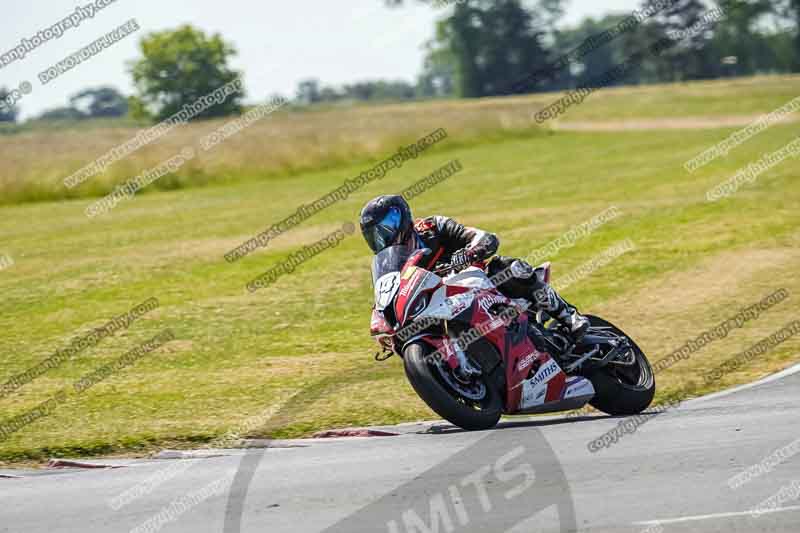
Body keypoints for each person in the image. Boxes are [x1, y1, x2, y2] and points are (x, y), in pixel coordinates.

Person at [359, 194, 589, 339]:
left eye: (385, 227)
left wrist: (470, 253)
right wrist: (385, 323)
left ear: (401, 217)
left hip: (476, 282)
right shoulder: (391, 262)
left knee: (507, 267)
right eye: (373, 234)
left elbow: (486, 238)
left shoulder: (432, 227)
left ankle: (568, 316)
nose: (381, 237)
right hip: (440, 302)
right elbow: (389, 293)